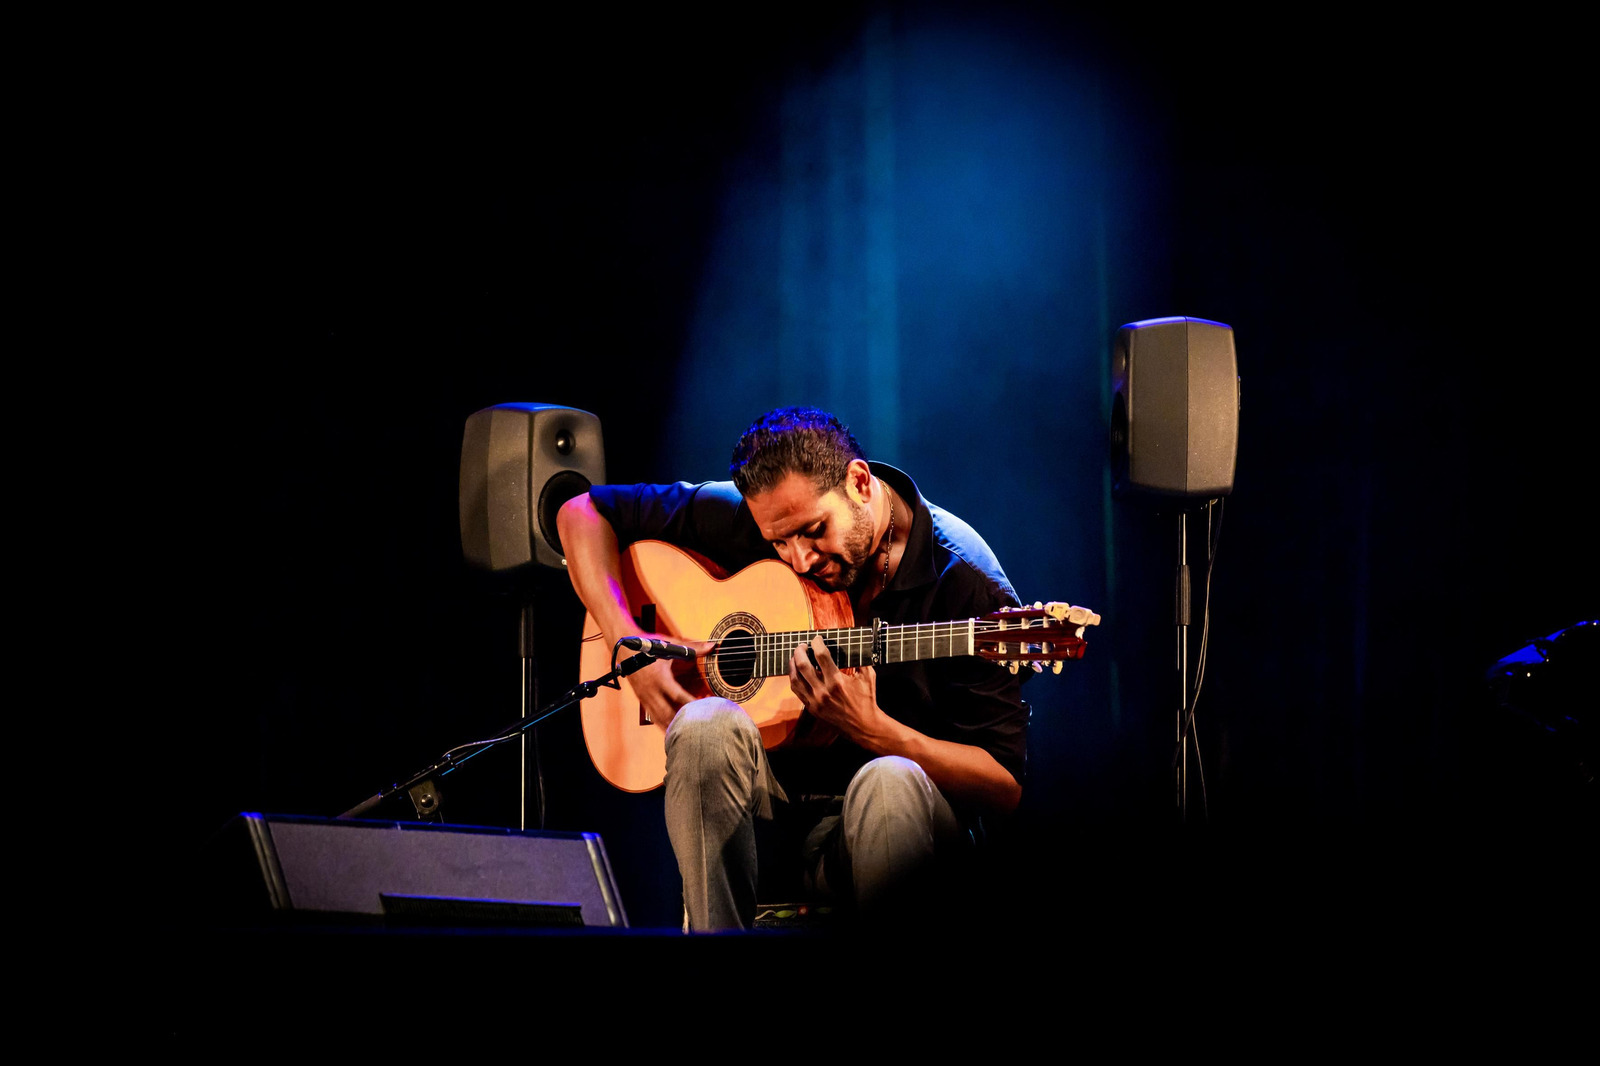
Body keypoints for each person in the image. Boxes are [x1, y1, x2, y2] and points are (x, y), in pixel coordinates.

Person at [557, 406, 1028, 930]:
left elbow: (1003, 787)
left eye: (813, 531)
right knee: (703, 726)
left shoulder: (965, 581)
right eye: (779, 542)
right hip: (767, 824)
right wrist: (627, 641)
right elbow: (580, 511)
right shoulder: (764, 514)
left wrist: (876, 731)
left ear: (858, 481)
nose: (799, 559)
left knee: (888, 781)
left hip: (895, 828)